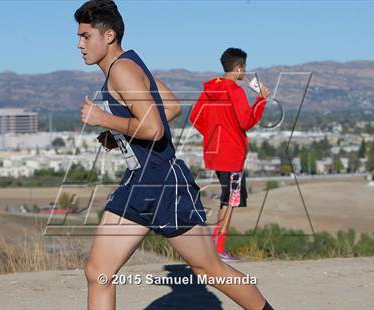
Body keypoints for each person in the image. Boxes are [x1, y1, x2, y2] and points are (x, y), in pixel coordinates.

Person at [75, 1, 274, 309]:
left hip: (162, 183)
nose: (79, 44)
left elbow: (153, 128)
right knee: (99, 272)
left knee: (210, 269)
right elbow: (171, 107)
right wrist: (120, 135)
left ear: (109, 36)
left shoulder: (123, 71)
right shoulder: (130, 65)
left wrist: (104, 119)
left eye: (86, 36)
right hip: (141, 182)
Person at [190, 48, 270, 262]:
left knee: (226, 199)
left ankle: (215, 247)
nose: (244, 73)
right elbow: (246, 121)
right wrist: (261, 101)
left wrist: (213, 136)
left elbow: (194, 116)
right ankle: (218, 249)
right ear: (238, 68)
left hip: (215, 154)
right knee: (230, 201)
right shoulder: (235, 91)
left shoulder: (210, 89)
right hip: (233, 155)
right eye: (244, 68)